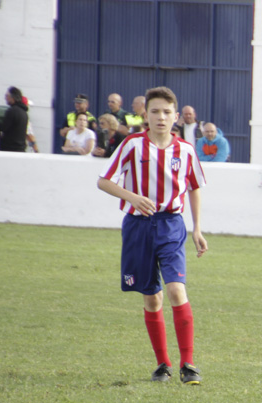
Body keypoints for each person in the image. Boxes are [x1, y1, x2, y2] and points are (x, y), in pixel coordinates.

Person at [96, 86, 208, 385]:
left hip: (172, 225)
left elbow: (194, 187)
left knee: (175, 290)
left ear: (176, 116)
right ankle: (163, 364)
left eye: (167, 112)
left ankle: (189, 364)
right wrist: (131, 197)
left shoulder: (185, 150)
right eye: (155, 111)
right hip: (138, 227)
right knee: (152, 299)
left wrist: (196, 228)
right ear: (146, 113)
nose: (161, 117)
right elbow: (103, 181)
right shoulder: (132, 144)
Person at [0, 87, 29, 152]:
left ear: (13, 98)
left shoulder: (12, 111)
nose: (5, 98)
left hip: (9, 148)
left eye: (7, 96)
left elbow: (4, 128)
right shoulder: (24, 113)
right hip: (21, 149)